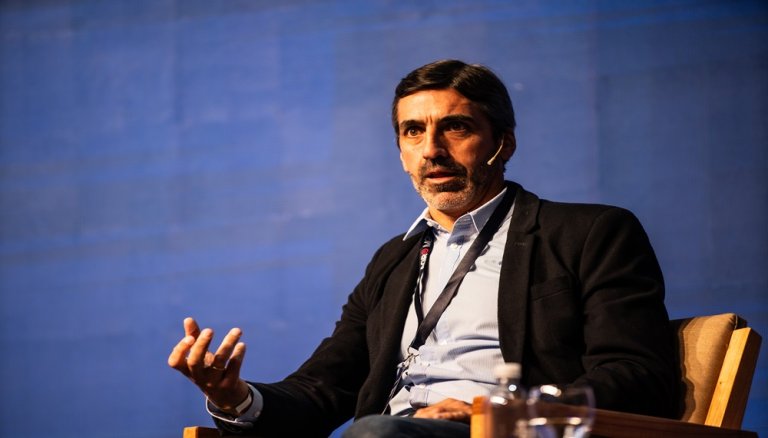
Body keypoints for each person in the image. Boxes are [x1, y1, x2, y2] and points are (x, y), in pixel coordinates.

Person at [168, 59, 679, 437]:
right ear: (400, 153)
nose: (432, 150)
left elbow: (638, 377)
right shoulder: (393, 261)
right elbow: (322, 389)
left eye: (455, 127)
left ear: (503, 143)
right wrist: (235, 397)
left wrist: (491, 412)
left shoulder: (589, 233)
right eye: (413, 131)